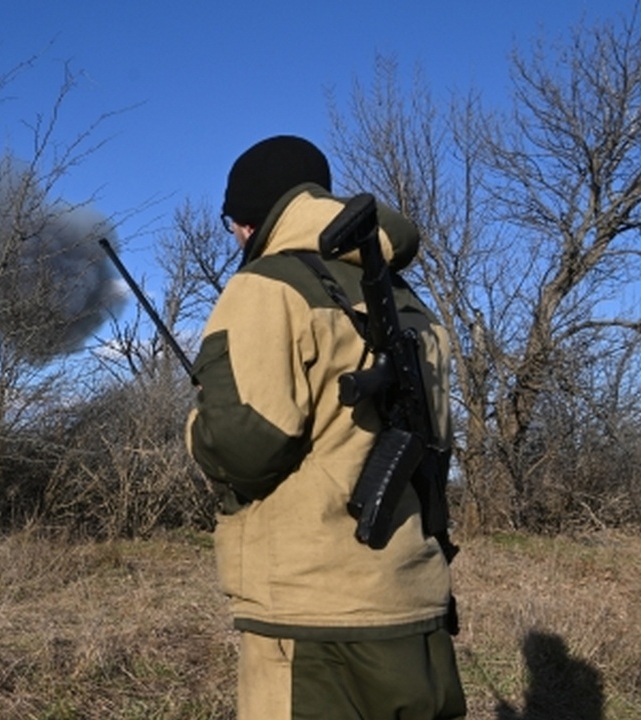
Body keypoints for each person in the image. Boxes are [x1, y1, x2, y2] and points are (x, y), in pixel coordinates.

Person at [186, 135, 466, 719]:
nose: (236, 235)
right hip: (414, 603)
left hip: (313, 620)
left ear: (249, 221)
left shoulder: (266, 285)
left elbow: (243, 448)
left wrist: (197, 424)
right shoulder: (412, 303)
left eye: (233, 222)